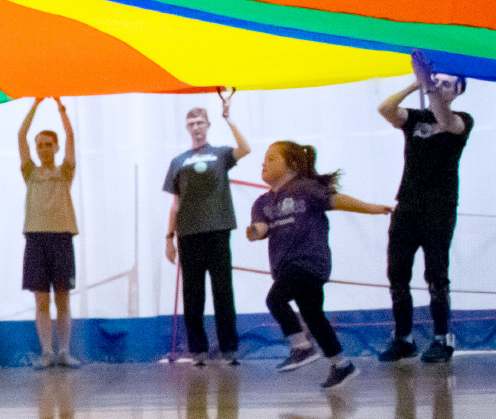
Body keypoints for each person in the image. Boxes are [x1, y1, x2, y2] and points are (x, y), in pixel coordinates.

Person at [246, 141, 392, 390]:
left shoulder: (305, 189)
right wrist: (255, 232)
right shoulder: (262, 203)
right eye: (264, 159)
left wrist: (374, 209)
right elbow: (262, 227)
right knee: (313, 316)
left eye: (271, 158)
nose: (264, 163)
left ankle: (301, 347)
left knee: (275, 300)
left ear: (290, 164)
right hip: (286, 266)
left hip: (308, 260)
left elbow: (337, 201)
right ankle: (341, 364)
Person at [377, 54, 474, 363]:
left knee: (436, 274)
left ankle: (442, 338)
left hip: (439, 208)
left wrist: (430, 87)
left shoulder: (462, 119)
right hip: (407, 204)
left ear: (458, 91)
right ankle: (404, 338)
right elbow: (385, 110)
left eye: (448, 84)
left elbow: (445, 121)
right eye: (437, 81)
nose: (440, 86)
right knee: (397, 273)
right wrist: (415, 83)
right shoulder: (417, 119)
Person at [164, 95, 252, 365]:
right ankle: (198, 351)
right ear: (187, 128)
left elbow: (245, 148)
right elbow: (175, 203)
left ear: (208, 124)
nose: (196, 126)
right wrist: (169, 237)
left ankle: (229, 349)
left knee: (223, 291)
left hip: (217, 229)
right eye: (191, 122)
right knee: (193, 294)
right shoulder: (178, 161)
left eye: (200, 121)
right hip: (189, 235)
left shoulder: (222, 154)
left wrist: (229, 118)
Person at [19, 98, 79, 369]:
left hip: (61, 238)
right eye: (39, 145)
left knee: (62, 298)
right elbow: (21, 135)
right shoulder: (30, 172)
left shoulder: (65, 171)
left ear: (55, 147)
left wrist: (60, 108)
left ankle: (64, 352)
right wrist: (35, 104)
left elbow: (70, 136)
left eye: (47, 144)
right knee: (41, 299)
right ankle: (46, 353)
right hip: (35, 238)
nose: (43, 149)